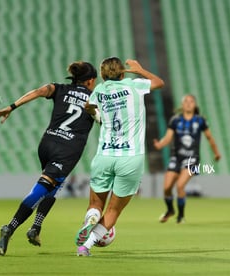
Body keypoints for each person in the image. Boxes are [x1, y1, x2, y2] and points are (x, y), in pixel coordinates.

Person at [0, 61, 98, 256]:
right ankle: (10, 227)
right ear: (90, 81)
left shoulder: (59, 88)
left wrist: (12, 107)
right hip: (68, 148)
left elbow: (38, 91)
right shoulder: (94, 97)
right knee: (45, 187)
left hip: (47, 143)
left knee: (54, 185)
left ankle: (36, 228)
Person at [74, 57, 164, 256]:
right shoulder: (134, 85)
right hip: (130, 157)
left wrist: (97, 116)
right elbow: (159, 83)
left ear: (103, 75)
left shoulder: (100, 90)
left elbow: (88, 106)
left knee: (96, 204)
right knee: (113, 211)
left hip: (105, 154)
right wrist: (139, 70)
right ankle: (85, 246)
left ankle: (90, 218)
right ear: (123, 73)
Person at [153, 94, 221, 224]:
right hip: (176, 157)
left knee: (180, 186)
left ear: (195, 105)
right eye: (186, 101)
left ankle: (181, 216)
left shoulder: (200, 120)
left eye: (191, 101)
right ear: (182, 105)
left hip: (193, 159)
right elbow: (168, 138)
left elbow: (209, 138)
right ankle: (170, 210)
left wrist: (216, 153)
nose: (189, 103)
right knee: (167, 188)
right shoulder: (175, 120)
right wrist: (160, 144)